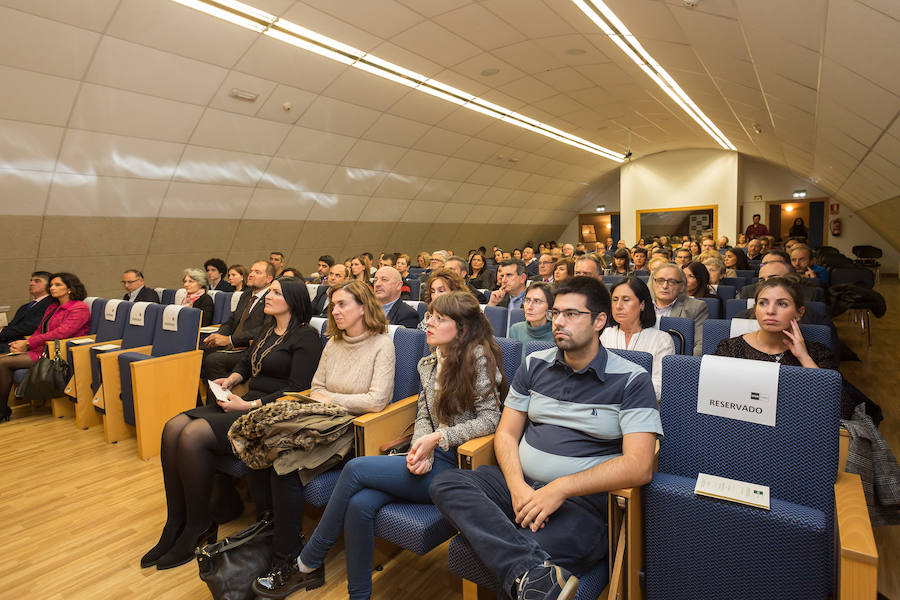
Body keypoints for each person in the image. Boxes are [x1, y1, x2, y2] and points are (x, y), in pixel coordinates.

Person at [254, 292, 504, 599]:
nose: (429, 322)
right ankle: (359, 595)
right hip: (427, 458)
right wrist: (417, 448)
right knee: (360, 505)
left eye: (440, 319)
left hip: (458, 466)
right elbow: (424, 413)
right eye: (430, 315)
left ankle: (308, 560)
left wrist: (438, 439)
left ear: (462, 329)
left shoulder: (477, 359)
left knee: (356, 468)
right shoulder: (428, 363)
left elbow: (491, 420)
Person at [429, 277, 661, 600]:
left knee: (526, 546)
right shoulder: (534, 364)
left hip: (580, 503)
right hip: (520, 485)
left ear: (599, 321)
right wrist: (517, 486)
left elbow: (639, 465)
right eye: (555, 313)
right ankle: (533, 574)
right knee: (447, 483)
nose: (559, 322)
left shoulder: (631, 380)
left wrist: (560, 488)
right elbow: (507, 434)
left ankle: (527, 572)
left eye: (571, 314)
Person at [140, 278, 322, 570]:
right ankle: (175, 522)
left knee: (192, 435)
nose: (268, 296)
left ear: (293, 300)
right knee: (172, 427)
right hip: (244, 401)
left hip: (268, 414)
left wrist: (248, 405)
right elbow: (246, 362)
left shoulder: (307, 337)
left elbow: (297, 389)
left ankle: (198, 527)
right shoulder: (267, 329)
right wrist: (232, 380)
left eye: (276, 292)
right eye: (270, 291)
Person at [244, 280, 395, 592]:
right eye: (333, 305)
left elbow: (377, 400)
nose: (334, 311)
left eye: (342, 305)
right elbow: (316, 389)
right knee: (265, 447)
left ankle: (287, 564)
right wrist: (330, 400)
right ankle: (274, 537)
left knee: (285, 466)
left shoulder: (382, 344)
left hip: (356, 430)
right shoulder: (334, 343)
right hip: (321, 422)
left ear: (363, 308)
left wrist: (333, 400)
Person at [0, 273, 90, 422]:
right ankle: (3, 409)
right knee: (3, 360)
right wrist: (24, 346)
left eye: (57, 285)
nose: (52, 288)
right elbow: (40, 330)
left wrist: (29, 343)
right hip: (43, 349)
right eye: (52, 285)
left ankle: (2, 410)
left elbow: (61, 333)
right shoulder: (53, 307)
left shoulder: (79, 308)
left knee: (2, 363)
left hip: (60, 353)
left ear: (70, 288)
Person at [715, 277, 838, 370]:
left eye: (782, 304)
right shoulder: (729, 349)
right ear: (755, 309)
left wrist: (804, 358)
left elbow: (835, 401)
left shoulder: (818, 354)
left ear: (799, 313)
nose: (770, 311)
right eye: (763, 303)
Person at [202, 260, 275, 391]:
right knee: (200, 351)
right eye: (251, 271)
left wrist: (230, 339)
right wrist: (219, 335)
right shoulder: (246, 295)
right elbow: (231, 320)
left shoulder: (271, 298)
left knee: (213, 360)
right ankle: (199, 400)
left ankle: (220, 401)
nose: (251, 274)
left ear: (269, 279)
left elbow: (265, 329)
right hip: (233, 344)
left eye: (257, 272)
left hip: (251, 348)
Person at [601, 277, 675, 400]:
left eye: (626, 300)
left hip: (642, 407)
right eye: (615, 300)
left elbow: (659, 387)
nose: (618, 306)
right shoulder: (605, 334)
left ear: (642, 304)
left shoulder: (661, 340)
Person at [649, 263, 709, 355]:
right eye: (660, 280)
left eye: (672, 281)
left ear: (682, 287)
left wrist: (679, 364)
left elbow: (701, 345)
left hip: (675, 363)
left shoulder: (696, 308)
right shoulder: (640, 305)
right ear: (653, 283)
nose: (665, 286)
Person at [0, 271, 54, 353]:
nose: (31, 283)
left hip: (27, 344)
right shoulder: (24, 307)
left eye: (37, 281)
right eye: (31, 280)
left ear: (49, 286)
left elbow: (32, 327)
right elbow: (13, 325)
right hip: (9, 340)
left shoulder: (51, 304)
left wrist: (2, 332)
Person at [507, 283, 555, 362]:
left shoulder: (557, 334)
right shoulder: (516, 330)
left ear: (550, 308)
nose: (529, 307)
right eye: (527, 300)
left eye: (537, 301)